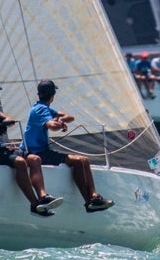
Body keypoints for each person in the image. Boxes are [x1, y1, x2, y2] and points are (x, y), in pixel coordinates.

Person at [0, 78, 62, 217]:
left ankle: (43, 196)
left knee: (34, 159)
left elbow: (9, 119)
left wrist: (1, 121)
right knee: (20, 162)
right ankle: (35, 205)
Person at [20, 79, 114, 213]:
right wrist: (58, 123)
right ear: (53, 96)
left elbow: (70, 117)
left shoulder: (43, 107)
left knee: (83, 160)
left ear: (38, 94)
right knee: (79, 161)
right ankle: (90, 201)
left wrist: (61, 120)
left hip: (43, 152)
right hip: (36, 152)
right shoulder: (40, 109)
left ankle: (93, 198)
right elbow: (52, 126)